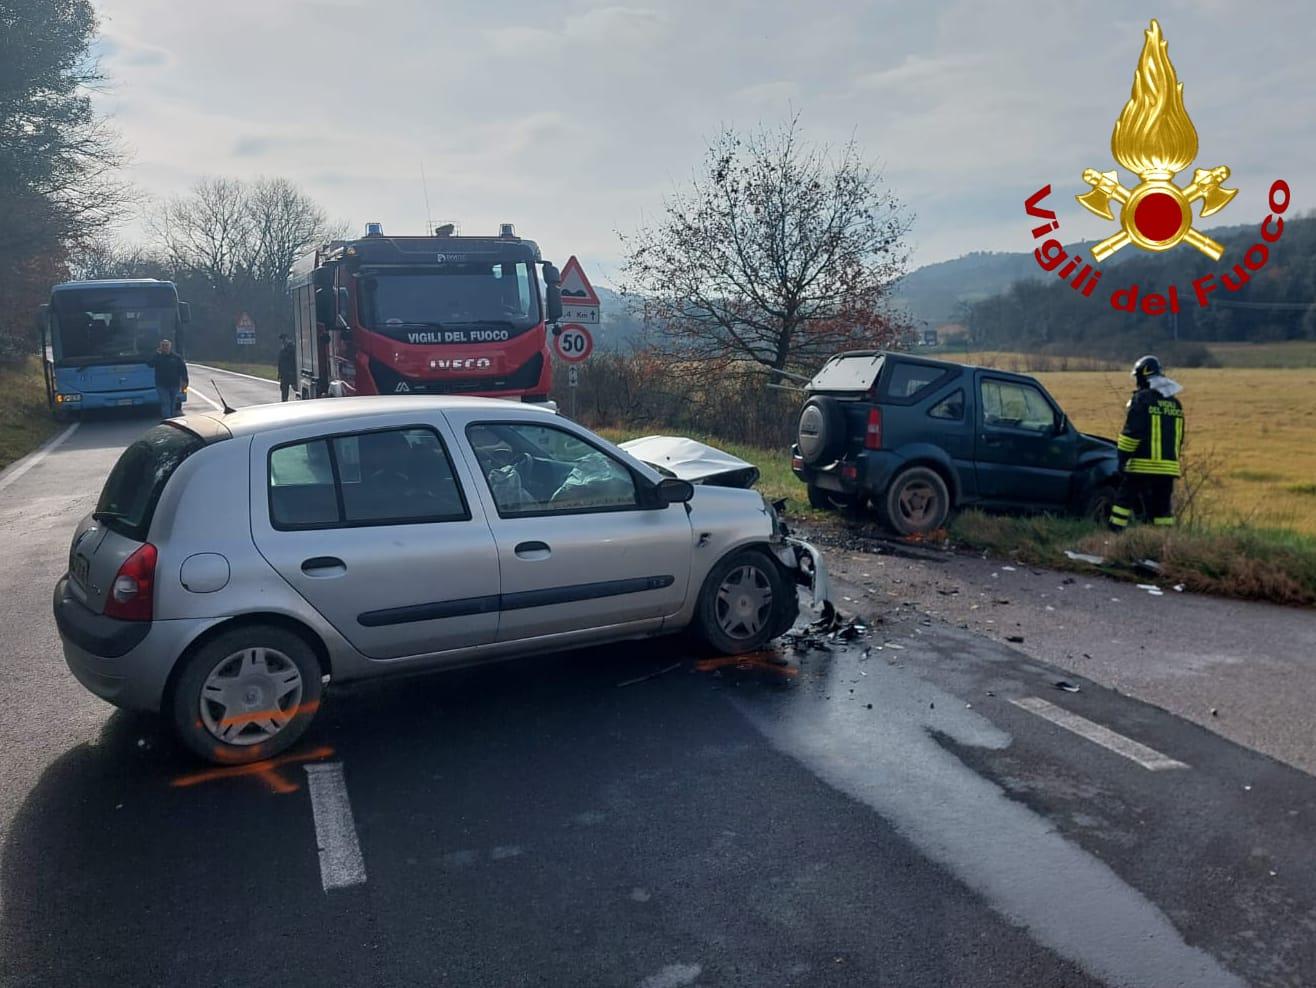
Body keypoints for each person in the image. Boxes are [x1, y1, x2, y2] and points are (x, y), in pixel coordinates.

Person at [1110, 355, 1184, 532]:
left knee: (1123, 501)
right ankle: (1161, 545)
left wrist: (1122, 459)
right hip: (1168, 469)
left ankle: (1113, 536)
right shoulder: (1175, 403)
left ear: (1143, 376)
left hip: (1141, 466)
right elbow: (1179, 437)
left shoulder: (1142, 399)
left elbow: (1131, 435)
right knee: (1162, 511)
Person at [148, 339, 189, 419]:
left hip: (174, 384)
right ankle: (167, 418)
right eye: (163, 346)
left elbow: (183, 370)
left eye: (167, 345)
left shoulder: (176, 357)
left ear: (170, 347)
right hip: (161, 385)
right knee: (165, 402)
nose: (165, 347)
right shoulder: (158, 357)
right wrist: (156, 354)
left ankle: (171, 416)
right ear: (160, 347)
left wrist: (185, 381)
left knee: (172, 402)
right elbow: (150, 364)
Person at [277, 334, 297, 401]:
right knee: (284, 388)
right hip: (284, 373)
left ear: (286, 338)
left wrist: (293, 372)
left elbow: (292, 360)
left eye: (283, 339)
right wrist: (279, 373)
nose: (282, 341)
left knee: (295, 387)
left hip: (290, 372)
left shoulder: (291, 347)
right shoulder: (283, 348)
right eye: (282, 340)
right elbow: (280, 362)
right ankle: (284, 400)